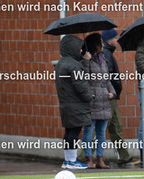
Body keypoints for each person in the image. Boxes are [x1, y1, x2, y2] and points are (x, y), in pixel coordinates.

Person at [102, 29, 139, 166]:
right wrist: (114, 90)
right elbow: (108, 76)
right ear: (108, 40)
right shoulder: (106, 54)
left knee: (116, 127)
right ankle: (83, 157)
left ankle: (124, 157)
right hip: (109, 97)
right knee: (100, 129)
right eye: (115, 37)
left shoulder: (107, 53)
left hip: (112, 96)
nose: (117, 40)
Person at [55, 35, 93, 170]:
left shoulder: (61, 63)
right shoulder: (75, 65)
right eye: (79, 48)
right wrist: (89, 96)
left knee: (69, 132)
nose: (81, 51)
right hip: (76, 104)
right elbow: (80, 85)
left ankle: (68, 160)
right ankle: (71, 161)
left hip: (65, 103)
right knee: (74, 132)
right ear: (72, 48)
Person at [81, 33, 116, 169]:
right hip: (92, 101)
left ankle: (100, 160)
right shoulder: (86, 60)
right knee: (88, 132)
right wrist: (86, 61)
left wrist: (112, 92)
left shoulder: (103, 60)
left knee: (101, 133)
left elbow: (107, 80)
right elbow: (83, 78)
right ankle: (88, 159)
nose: (103, 45)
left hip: (104, 101)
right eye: (100, 42)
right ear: (94, 44)